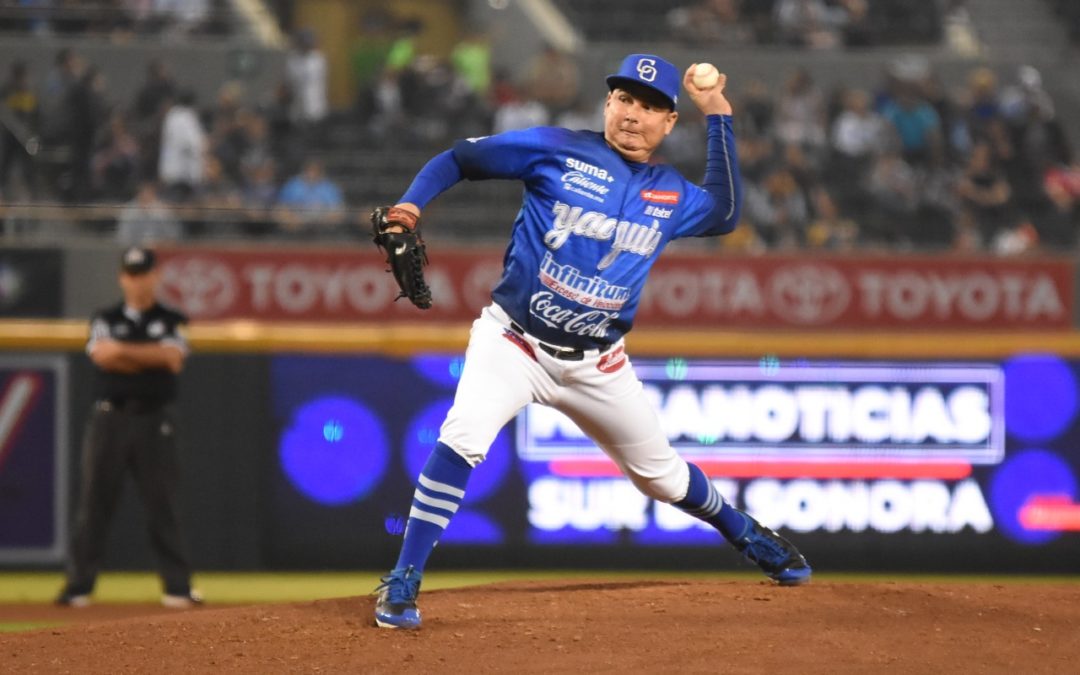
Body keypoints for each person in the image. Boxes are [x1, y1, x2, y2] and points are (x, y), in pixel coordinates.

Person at [373, 53, 811, 630]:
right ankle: (404, 580)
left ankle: (746, 533)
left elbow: (726, 212)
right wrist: (409, 205)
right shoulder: (555, 148)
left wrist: (719, 112)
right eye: (624, 99)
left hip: (598, 362)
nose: (633, 114)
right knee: (463, 436)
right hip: (514, 343)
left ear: (669, 123)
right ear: (607, 103)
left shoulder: (670, 194)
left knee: (662, 477)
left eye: (651, 105)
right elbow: (460, 157)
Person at [56, 246, 202, 609]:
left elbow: (171, 360)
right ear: (123, 278)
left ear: (156, 275)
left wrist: (123, 353)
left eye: (143, 273)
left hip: (154, 418)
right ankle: (79, 586)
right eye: (131, 274)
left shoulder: (171, 317)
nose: (137, 280)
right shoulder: (104, 316)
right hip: (110, 417)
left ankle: (177, 588)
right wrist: (146, 356)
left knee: (162, 504)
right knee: (93, 504)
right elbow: (101, 356)